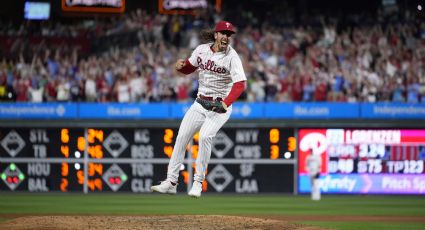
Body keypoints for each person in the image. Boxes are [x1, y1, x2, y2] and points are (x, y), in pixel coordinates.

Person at [151, 20, 247, 198]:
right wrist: (181, 67)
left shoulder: (232, 57)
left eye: (229, 34)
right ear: (216, 35)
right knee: (181, 137)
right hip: (200, 103)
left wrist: (226, 102)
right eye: (223, 33)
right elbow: (189, 67)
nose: (226, 37)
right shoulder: (202, 49)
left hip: (219, 107)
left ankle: (197, 183)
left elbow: (240, 84)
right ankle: (171, 182)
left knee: (204, 137)